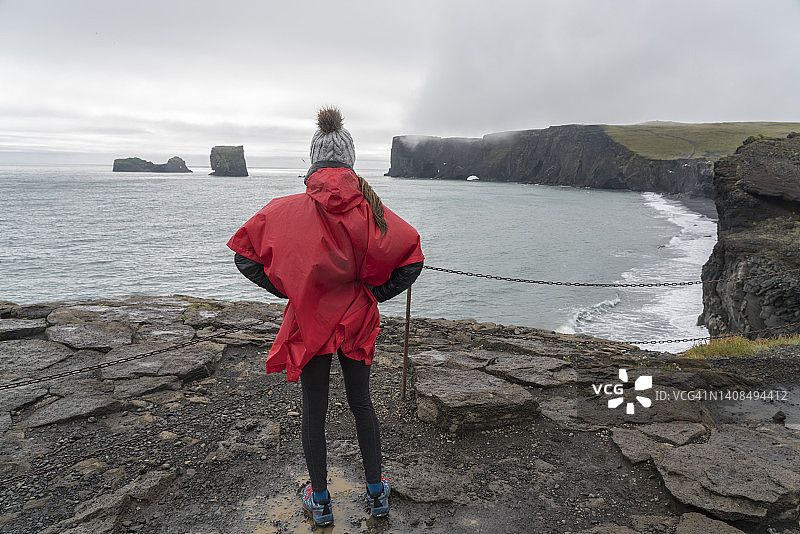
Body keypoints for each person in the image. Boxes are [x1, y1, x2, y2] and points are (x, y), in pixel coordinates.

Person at [227, 107, 424, 527]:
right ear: (350, 162)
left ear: (314, 161)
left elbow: (245, 255)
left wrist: (294, 289)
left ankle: (319, 501)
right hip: (356, 320)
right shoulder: (372, 211)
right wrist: (374, 293)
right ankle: (376, 496)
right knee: (361, 405)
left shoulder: (285, 210)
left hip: (310, 323)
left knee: (314, 410)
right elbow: (411, 258)